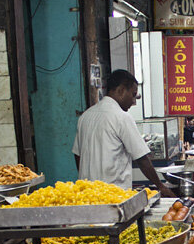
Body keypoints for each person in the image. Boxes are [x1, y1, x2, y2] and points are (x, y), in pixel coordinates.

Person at [72, 69, 174, 197]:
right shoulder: (121, 117)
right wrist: (161, 186)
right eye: (133, 95)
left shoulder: (85, 116)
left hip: (87, 196)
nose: (133, 101)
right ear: (120, 90)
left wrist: (86, 179)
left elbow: (77, 155)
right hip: (113, 196)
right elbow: (142, 159)